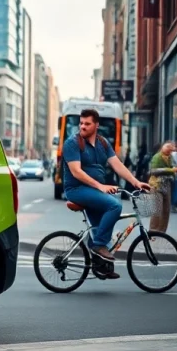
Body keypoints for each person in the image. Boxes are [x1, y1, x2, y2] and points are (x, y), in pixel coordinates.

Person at [61, 109, 150, 275]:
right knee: (115, 206)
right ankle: (98, 246)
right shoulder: (72, 143)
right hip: (77, 190)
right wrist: (100, 186)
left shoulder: (102, 143)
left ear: (96, 125)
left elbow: (117, 165)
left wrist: (136, 182)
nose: (82, 127)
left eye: (87, 124)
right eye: (81, 123)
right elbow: (76, 172)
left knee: (101, 228)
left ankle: (102, 267)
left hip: (92, 191)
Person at [148, 142, 177, 232]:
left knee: (166, 210)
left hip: (166, 185)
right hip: (156, 185)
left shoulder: (170, 157)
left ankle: (162, 230)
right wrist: (170, 170)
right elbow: (153, 170)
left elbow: (173, 168)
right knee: (157, 210)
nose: (169, 153)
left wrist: (175, 171)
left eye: (171, 151)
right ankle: (153, 230)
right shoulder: (157, 157)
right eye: (168, 151)